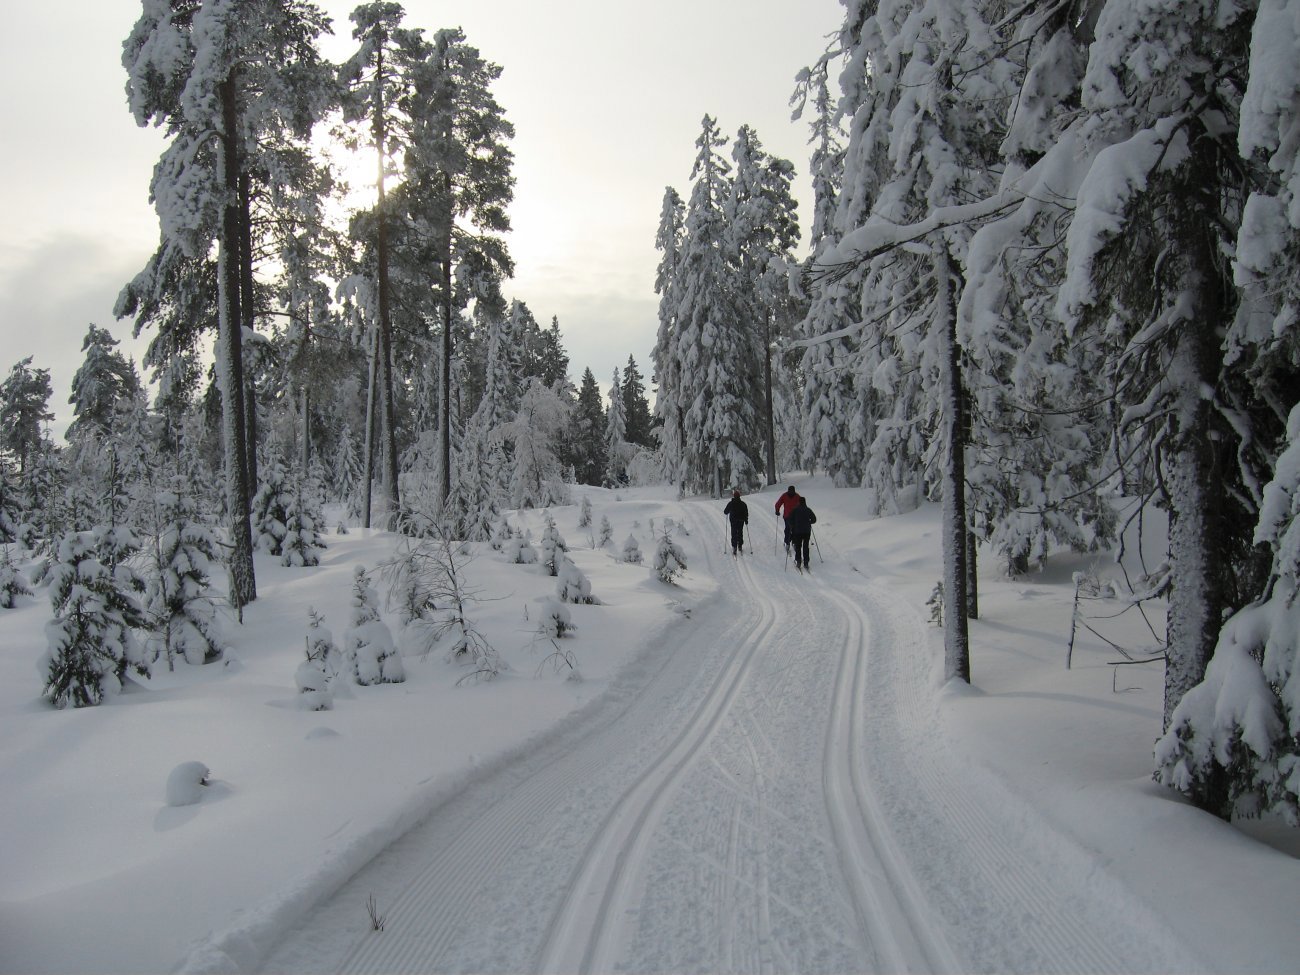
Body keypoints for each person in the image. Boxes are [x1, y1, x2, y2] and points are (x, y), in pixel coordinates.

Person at [787, 496, 817, 570]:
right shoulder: (808, 510)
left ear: (799, 502)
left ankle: (799, 561)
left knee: (798, 546)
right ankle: (806, 562)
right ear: (805, 502)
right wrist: (809, 522)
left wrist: (792, 525)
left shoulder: (795, 510)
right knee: (806, 546)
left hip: (797, 531)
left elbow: (789, 519)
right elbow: (814, 519)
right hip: (807, 531)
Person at [774, 484, 801, 550]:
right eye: (790, 491)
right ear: (788, 491)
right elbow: (778, 503)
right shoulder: (785, 495)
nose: (791, 492)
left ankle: (793, 542)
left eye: (792, 491)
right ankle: (788, 542)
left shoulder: (797, 496)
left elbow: (802, 504)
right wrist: (777, 510)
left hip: (794, 516)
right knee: (789, 529)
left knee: (793, 529)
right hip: (788, 516)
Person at [723, 489, 749, 555]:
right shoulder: (743, 504)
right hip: (741, 521)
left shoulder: (731, 503)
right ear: (739, 496)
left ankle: (734, 547)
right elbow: (746, 513)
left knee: (734, 533)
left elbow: (725, 511)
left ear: (734, 496)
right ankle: (740, 545)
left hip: (733, 521)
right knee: (740, 532)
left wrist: (727, 512)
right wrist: (746, 520)